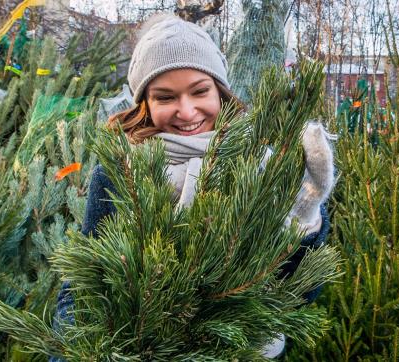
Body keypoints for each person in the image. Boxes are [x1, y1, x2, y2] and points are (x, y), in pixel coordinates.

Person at [51, 13, 334, 360]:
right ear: (145, 104)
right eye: (165, 97)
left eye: (200, 91)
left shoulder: (259, 166)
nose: (187, 111)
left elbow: (297, 293)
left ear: (220, 90)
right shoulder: (120, 169)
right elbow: (81, 286)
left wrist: (303, 217)